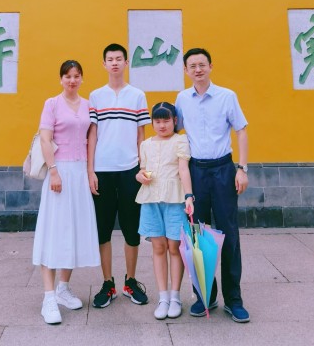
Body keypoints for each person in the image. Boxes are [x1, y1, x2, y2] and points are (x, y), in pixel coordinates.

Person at [175, 47, 250, 323]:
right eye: (192, 66)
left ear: (210, 66)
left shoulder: (227, 96)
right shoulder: (182, 99)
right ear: (186, 70)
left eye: (202, 64)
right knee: (198, 236)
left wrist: (241, 169)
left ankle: (234, 299)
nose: (198, 69)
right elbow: (175, 133)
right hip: (196, 171)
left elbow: (241, 130)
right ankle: (205, 296)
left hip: (223, 170)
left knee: (229, 234)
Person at [32, 60, 100, 325]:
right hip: (59, 171)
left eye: (76, 76)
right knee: (54, 232)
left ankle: (63, 288)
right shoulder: (52, 104)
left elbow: (91, 139)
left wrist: (90, 171)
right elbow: (45, 138)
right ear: (61, 79)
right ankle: (48, 297)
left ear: (81, 78)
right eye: (68, 76)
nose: (72, 80)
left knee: (73, 231)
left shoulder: (88, 105)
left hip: (80, 172)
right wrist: (54, 171)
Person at [88, 43, 152, 308]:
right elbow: (92, 135)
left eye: (118, 59)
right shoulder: (95, 96)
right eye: (110, 59)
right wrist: (90, 170)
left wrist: (142, 167)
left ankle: (130, 281)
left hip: (130, 170)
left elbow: (141, 135)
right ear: (103, 64)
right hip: (102, 170)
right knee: (103, 229)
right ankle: (108, 283)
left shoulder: (137, 95)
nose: (114, 63)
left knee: (131, 228)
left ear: (126, 63)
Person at [135, 102, 194, 320]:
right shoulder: (146, 144)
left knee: (174, 247)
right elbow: (143, 170)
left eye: (166, 120)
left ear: (174, 121)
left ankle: (175, 297)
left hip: (174, 200)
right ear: (152, 122)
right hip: (151, 199)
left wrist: (189, 196)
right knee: (158, 247)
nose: (162, 125)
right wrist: (139, 176)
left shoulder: (180, 140)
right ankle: (163, 298)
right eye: (157, 121)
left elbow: (183, 169)